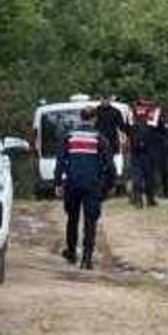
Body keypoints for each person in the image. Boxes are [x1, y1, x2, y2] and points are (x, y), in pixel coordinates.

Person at [55, 107, 117, 270]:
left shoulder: (69, 137)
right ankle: (87, 259)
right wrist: (111, 184)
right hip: (93, 184)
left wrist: (58, 183)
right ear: (94, 119)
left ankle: (71, 252)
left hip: (73, 183)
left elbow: (60, 161)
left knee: (72, 219)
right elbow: (109, 165)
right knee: (90, 221)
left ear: (80, 118)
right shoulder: (100, 139)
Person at [129, 97, 161, 207]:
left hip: (147, 150)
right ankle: (140, 199)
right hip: (138, 150)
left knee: (148, 176)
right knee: (139, 176)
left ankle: (147, 199)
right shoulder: (132, 114)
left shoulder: (135, 113)